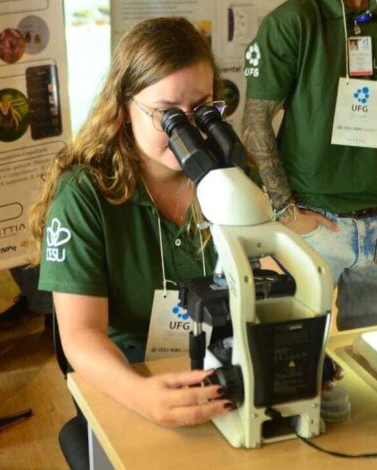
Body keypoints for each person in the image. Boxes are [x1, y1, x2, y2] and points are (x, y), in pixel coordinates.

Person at [31, 17, 233, 437]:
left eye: (202, 110)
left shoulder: (225, 179)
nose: (190, 131)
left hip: (218, 365)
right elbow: (81, 334)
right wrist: (143, 394)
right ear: (125, 107)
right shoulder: (84, 196)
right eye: (167, 116)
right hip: (130, 371)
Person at [242, 0, 377, 330]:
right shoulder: (292, 20)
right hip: (314, 220)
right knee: (295, 348)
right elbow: (255, 121)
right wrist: (286, 211)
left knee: (362, 352)